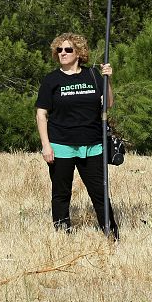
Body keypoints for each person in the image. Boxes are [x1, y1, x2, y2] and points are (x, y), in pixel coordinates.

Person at [35, 33, 118, 238]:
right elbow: (41, 114)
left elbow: (107, 104)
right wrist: (46, 145)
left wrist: (107, 80)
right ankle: (64, 234)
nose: (62, 53)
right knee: (61, 194)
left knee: (99, 193)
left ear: (79, 53)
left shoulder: (92, 75)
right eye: (59, 50)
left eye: (68, 49)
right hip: (61, 145)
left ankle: (111, 234)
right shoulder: (51, 80)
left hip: (93, 145)